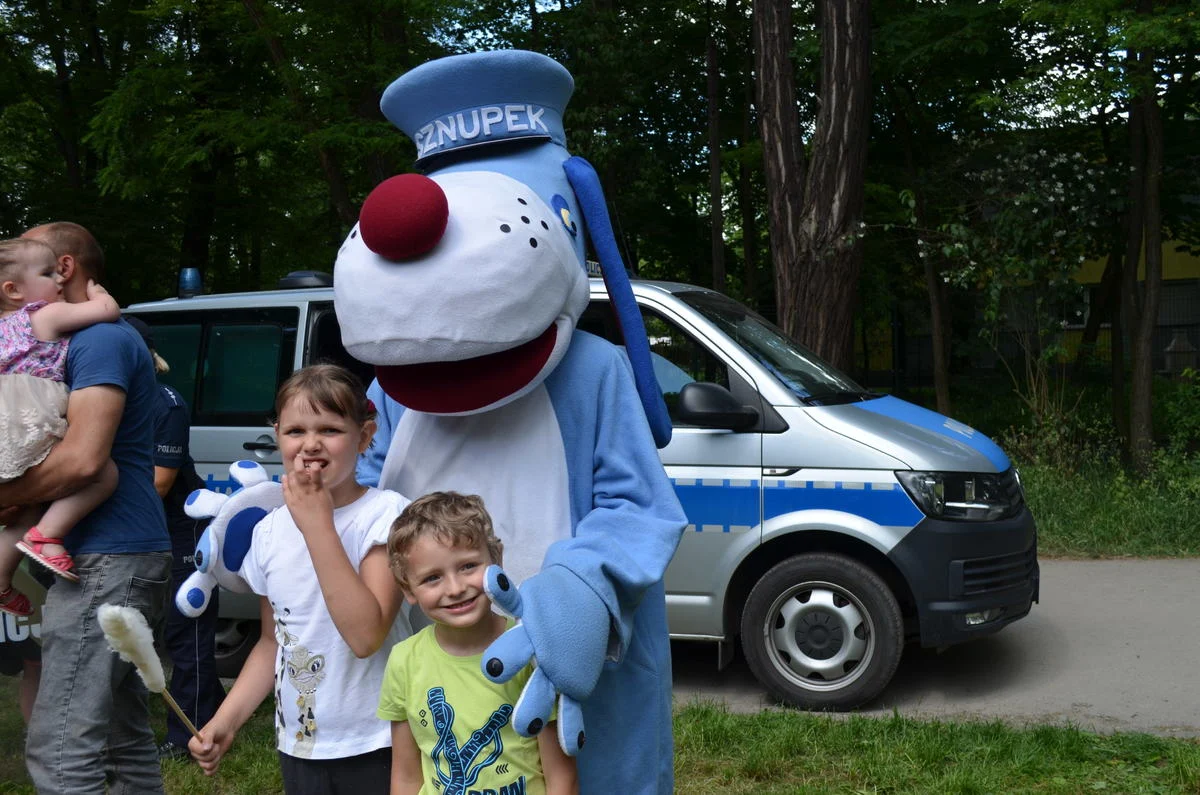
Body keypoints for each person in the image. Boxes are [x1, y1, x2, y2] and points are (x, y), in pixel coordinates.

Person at [0, 221, 171, 793]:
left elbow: (83, 462)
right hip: (112, 552)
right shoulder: (65, 340)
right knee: (122, 735)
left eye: (46, 264)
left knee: (62, 743)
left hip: (110, 558)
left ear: (66, 269)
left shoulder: (99, 340)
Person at [188, 364, 409, 795]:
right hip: (302, 744)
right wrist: (226, 720)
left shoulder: (385, 516)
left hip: (380, 739)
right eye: (295, 431)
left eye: (329, 429)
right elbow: (273, 641)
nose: (310, 444)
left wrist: (317, 526)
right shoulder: (269, 531)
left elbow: (366, 636)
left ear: (364, 437)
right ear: (277, 437)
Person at [378, 492, 577, 795]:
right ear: (408, 589)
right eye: (432, 578)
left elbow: (562, 777)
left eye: (468, 566)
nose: (455, 588)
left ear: (496, 561)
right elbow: (405, 777)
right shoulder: (403, 661)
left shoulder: (532, 651)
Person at [0, 236, 121, 615]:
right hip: (28, 421)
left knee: (28, 508)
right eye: (46, 273)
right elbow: (107, 310)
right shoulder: (43, 314)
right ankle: (47, 537)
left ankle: (2, 578)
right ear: (14, 290)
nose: (56, 282)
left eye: (57, 271)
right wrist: (97, 293)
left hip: (5, 425)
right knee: (103, 473)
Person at [124, 315, 226, 761]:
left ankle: (192, 733)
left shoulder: (165, 404)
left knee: (188, 631)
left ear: (142, 356)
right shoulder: (103, 398)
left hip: (182, 528)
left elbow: (159, 485)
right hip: (137, 529)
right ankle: (209, 706)